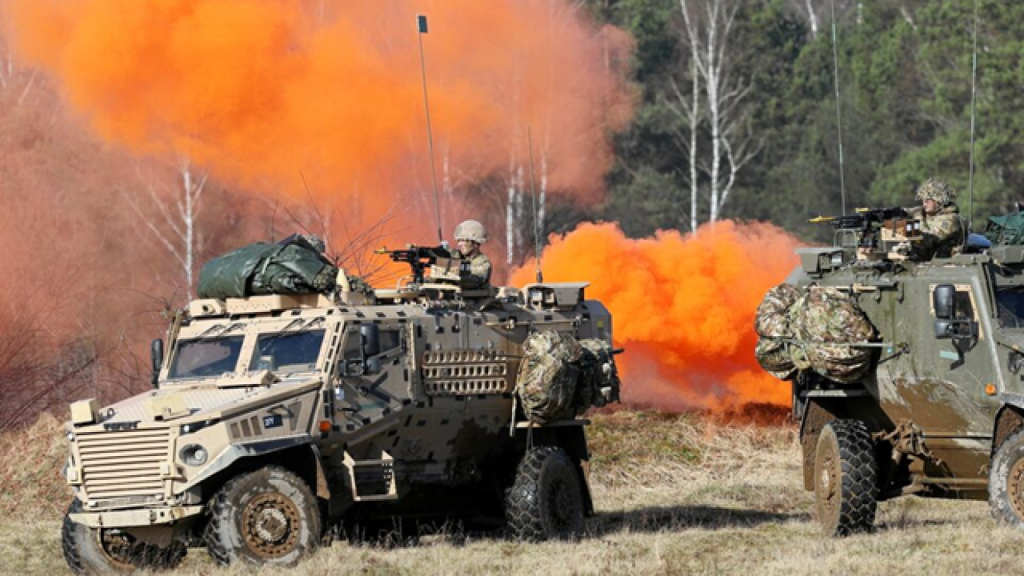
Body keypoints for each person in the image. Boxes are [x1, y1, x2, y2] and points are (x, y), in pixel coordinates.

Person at [905, 178, 964, 260]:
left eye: (927, 201)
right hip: (927, 264)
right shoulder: (929, 217)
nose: (924, 204)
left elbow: (930, 240)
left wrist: (918, 218)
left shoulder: (951, 219)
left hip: (946, 266)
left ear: (938, 201)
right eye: (922, 201)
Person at [452, 220, 492, 290]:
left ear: (475, 243)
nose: (459, 244)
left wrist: (452, 277)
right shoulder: (458, 256)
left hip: (474, 299)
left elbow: (474, 281)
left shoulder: (483, 264)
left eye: (463, 240)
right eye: (459, 241)